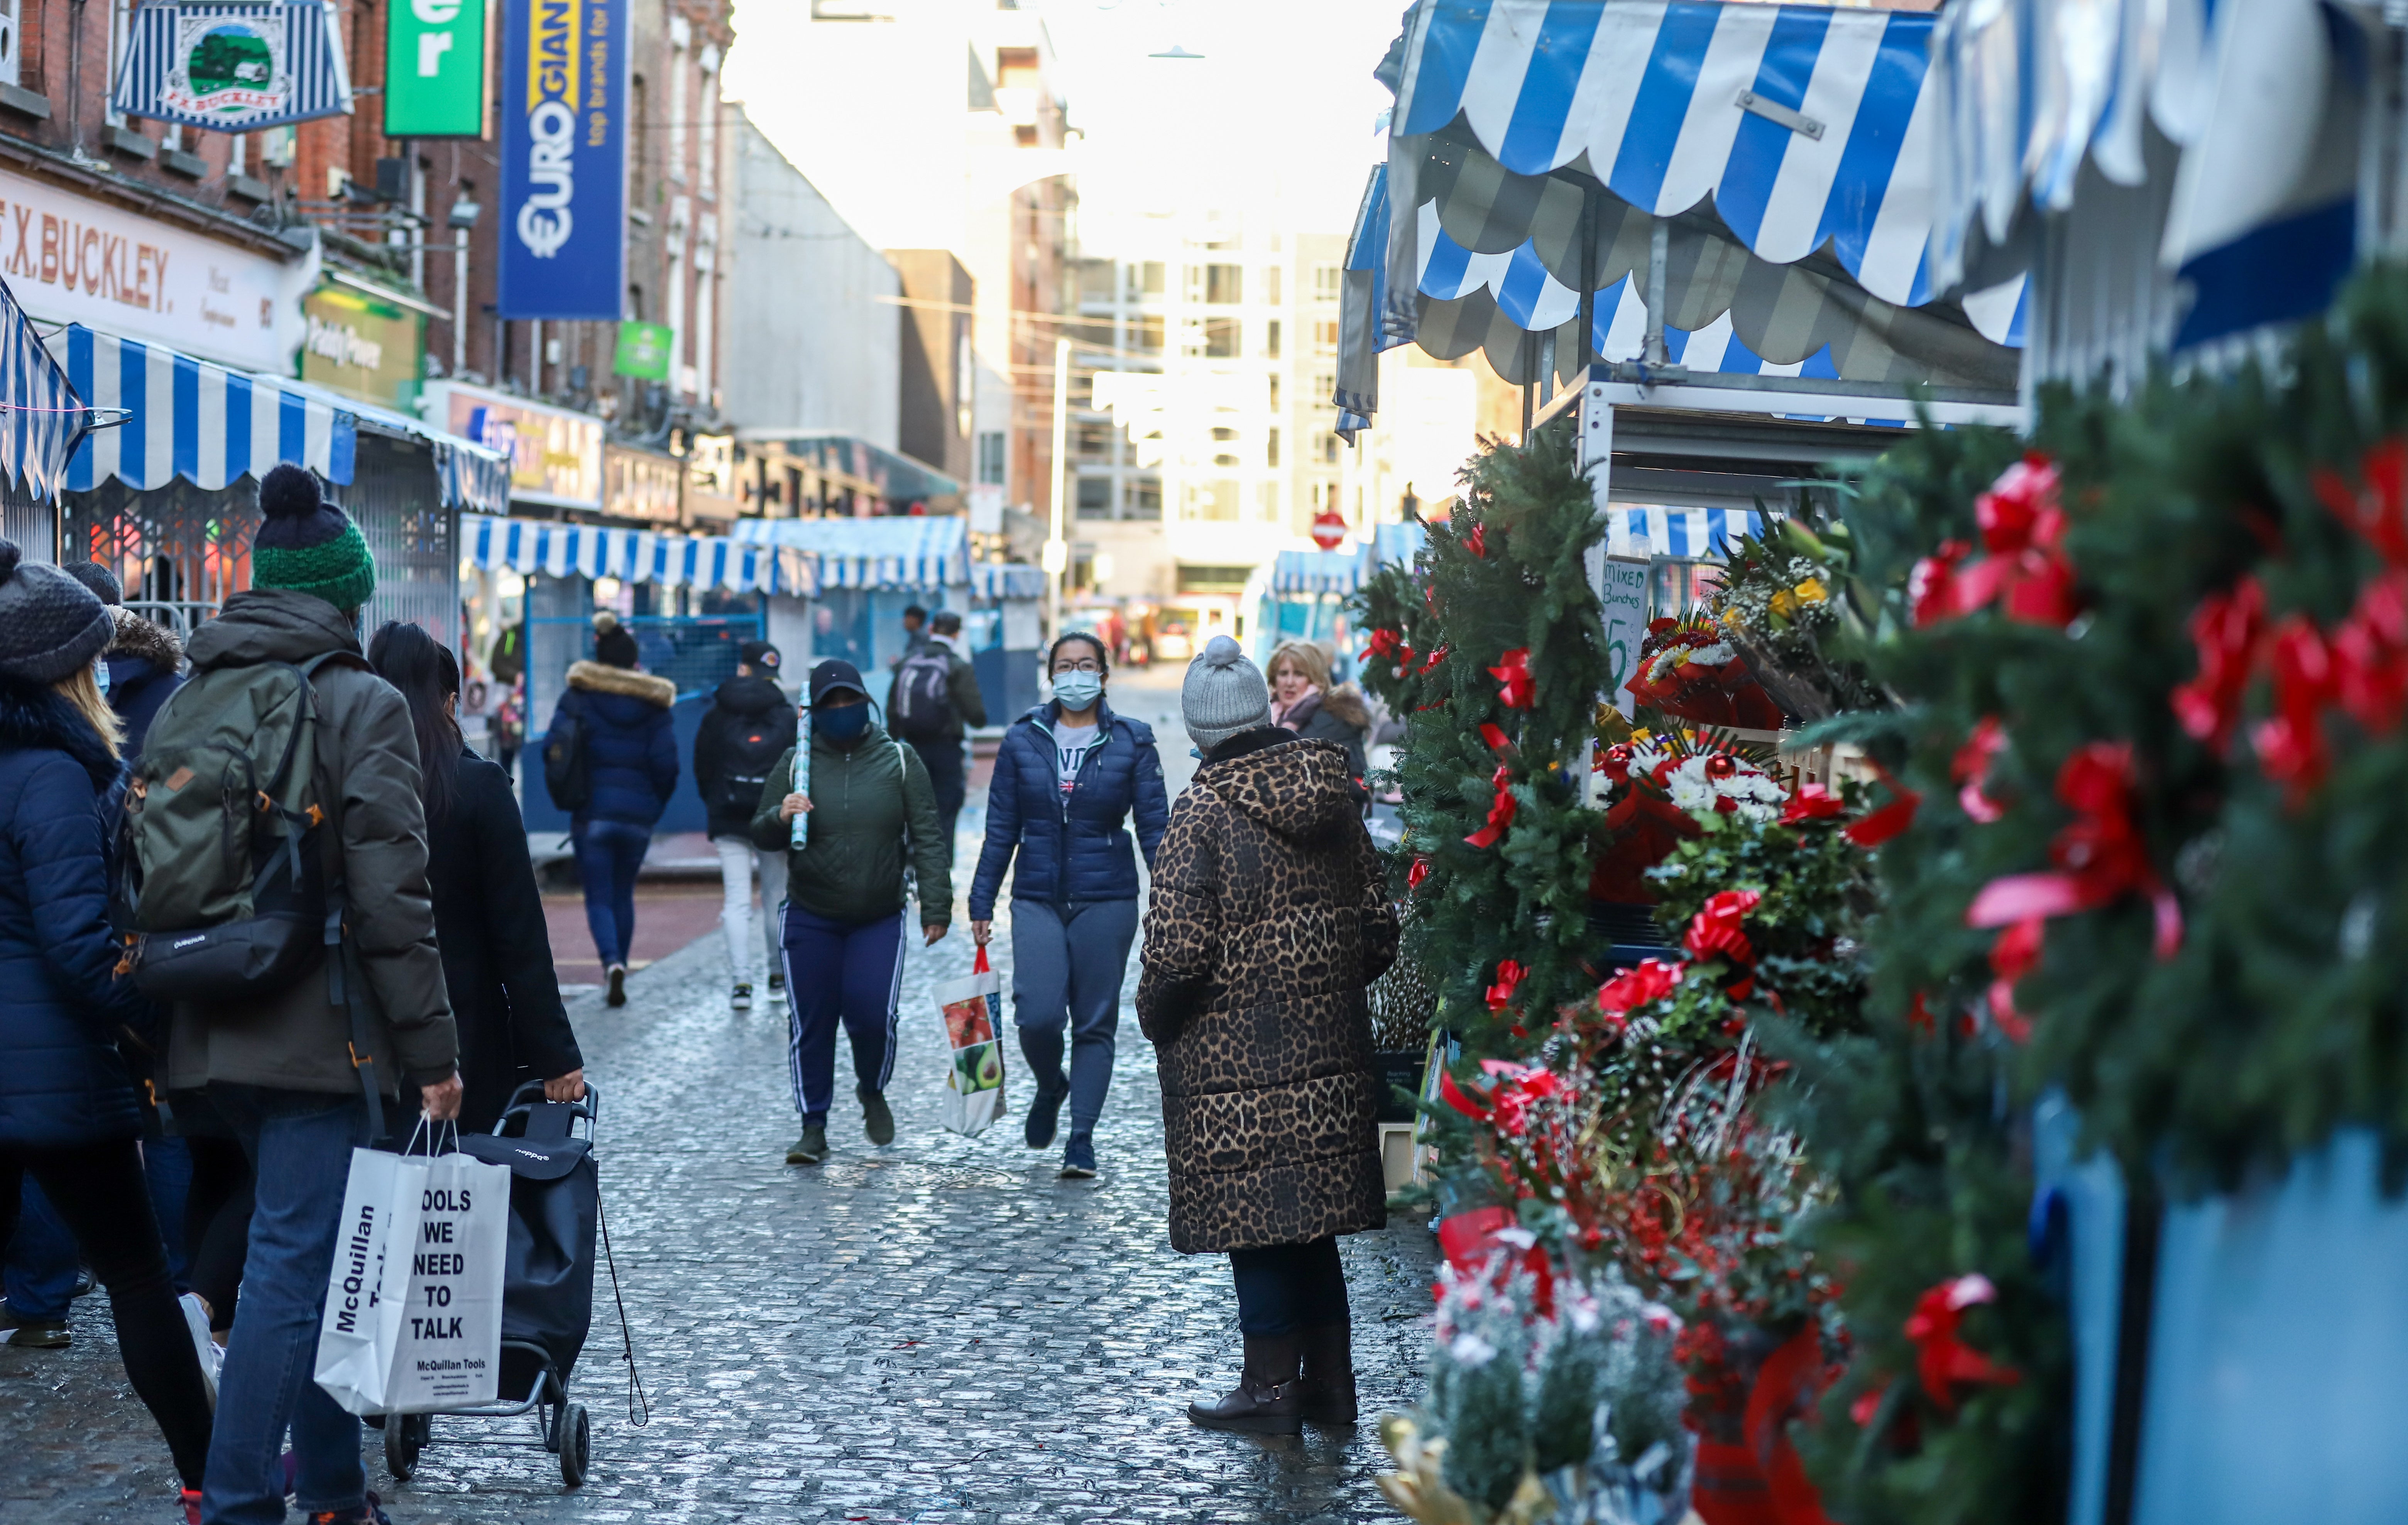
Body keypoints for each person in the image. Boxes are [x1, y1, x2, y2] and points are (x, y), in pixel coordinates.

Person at [170, 464, 462, 1525]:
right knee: (296, 1269)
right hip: (319, 1035)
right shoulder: (361, 702)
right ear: (347, 592)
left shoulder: (200, 689)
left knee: (323, 1256)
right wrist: (435, 1055)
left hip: (206, 1023)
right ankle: (243, 1499)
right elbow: (394, 896)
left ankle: (335, 1488)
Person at [0, 541, 216, 1521]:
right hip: (48, 1073)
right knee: (135, 1273)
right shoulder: (46, 770)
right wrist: (155, 1021)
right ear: (55, 670)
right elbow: (81, 945)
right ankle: (213, 1479)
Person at [1136, 635, 1397, 1435]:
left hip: (1231, 1059)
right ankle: (1333, 1384)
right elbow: (1380, 930)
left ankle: (1272, 1386)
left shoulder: (1204, 811)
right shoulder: (1332, 791)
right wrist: (1319, 989)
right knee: (1310, 1220)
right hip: (1329, 1051)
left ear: (1202, 732)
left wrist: (1159, 1016)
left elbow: (1176, 953)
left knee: (1255, 1218)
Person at [369, 621, 586, 1133]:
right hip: (463, 1032)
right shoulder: (477, 787)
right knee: (461, 1193)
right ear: (448, 704)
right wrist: (554, 1054)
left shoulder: (345, 778)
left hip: (364, 1034)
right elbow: (520, 935)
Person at [967, 632, 1167, 1179]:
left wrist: (1173, 898)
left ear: (1104, 674)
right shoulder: (1022, 739)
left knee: (1095, 1023)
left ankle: (1081, 1139)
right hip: (1036, 896)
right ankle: (1051, 1083)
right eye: (1064, 665)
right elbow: (1001, 826)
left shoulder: (1133, 740)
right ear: (1050, 674)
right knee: (1038, 1015)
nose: (1074, 674)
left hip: (1108, 899)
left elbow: (1155, 830)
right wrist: (982, 898)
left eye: (1085, 665)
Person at [749, 659, 951, 1166]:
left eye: (849, 701)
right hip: (811, 914)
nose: (842, 711)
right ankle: (812, 1125)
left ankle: (871, 1088)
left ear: (866, 701)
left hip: (878, 915)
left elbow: (927, 833)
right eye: (831, 705)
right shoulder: (796, 762)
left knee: (871, 1016)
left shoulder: (899, 760)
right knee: (812, 1023)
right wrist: (781, 814)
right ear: (815, 712)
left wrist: (937, 903)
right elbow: (760, 830)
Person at [543, 610, 678, 1007]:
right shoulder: (654, 706)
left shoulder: (579, 696)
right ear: (635, 662)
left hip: (593, 815)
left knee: (599, 895)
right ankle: (621, 963)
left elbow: (555, 748)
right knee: (624, 893)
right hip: (638, 818)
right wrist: (653, 807)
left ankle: (612, 963)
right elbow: (667, 765)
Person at [695, 640, 797, 1011]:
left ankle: (741, 984)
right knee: (776, 898)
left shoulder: (717, 712)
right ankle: (777, 977)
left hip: (728, 815)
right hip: (774, 819)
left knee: (736, 901)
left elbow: (702, 765)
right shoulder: (786, 715)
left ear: (742, 669)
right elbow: (797, 769)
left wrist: (716, 802)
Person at [886, 609, 988, 852]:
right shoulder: (957, 667)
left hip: (911, 748)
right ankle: (940, 866)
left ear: (931, 629)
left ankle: (911, 859)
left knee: (914, 804)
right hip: (946, 749)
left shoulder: (908, 661)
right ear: (957, 634)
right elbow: (976, 717)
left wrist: (894, 740)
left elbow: (893, 708)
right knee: (945, 807)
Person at [1265, 638, 1370, 785]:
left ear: (1316, 679)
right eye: (1283, 674)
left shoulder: (1337, 720)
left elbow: (1359, 784)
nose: (1289, 682)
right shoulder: (1266, 719)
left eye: (1299, 674)